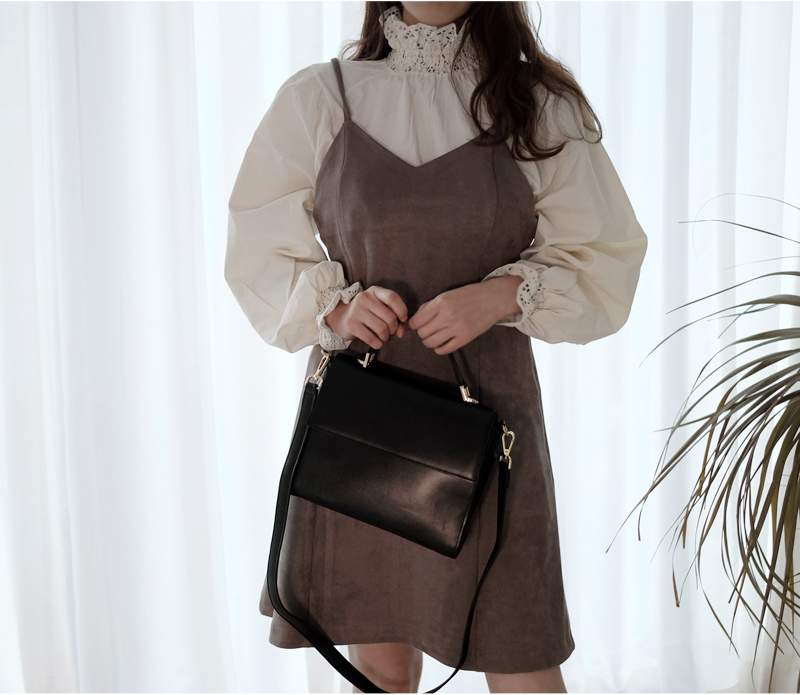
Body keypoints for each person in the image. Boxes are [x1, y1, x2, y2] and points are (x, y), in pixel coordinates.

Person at [224, 2, 647, 692]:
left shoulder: (538, 105)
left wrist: (502, 294)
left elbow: (605, 258)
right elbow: (257, 247)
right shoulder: (321, 98)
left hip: (493, 418)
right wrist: (338, 306)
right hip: (362, 420)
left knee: (522, 656)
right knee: (381, 667)